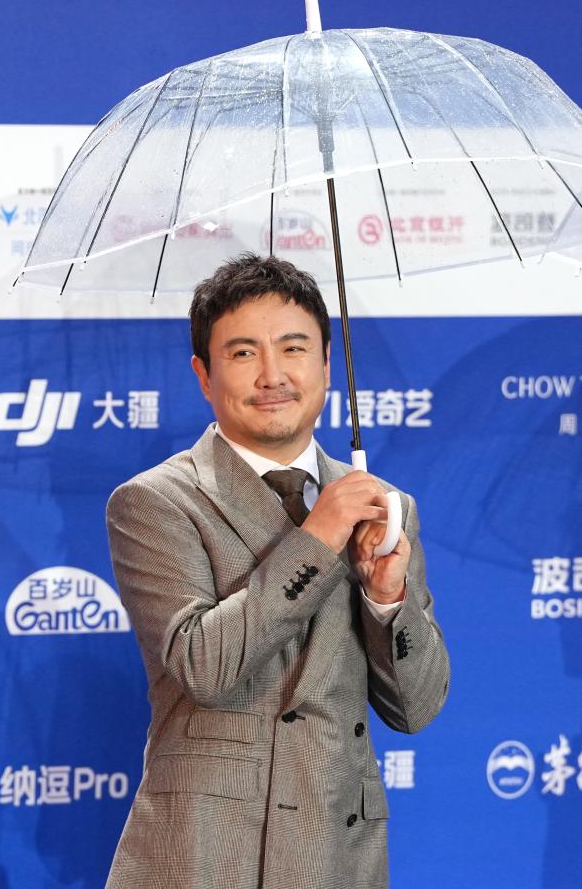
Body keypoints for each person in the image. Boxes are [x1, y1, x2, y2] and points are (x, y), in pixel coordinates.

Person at [104, 252, 449, 889]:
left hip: (337, 854)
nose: (272, 375)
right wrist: (318, 537)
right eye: (243, 353)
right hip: (208, 857)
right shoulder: (156, 501)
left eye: (293, 348)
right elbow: (204, 666)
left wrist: (386, 598)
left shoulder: (384, 507)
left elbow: (417, 707)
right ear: (203, 375)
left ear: (326, 363)